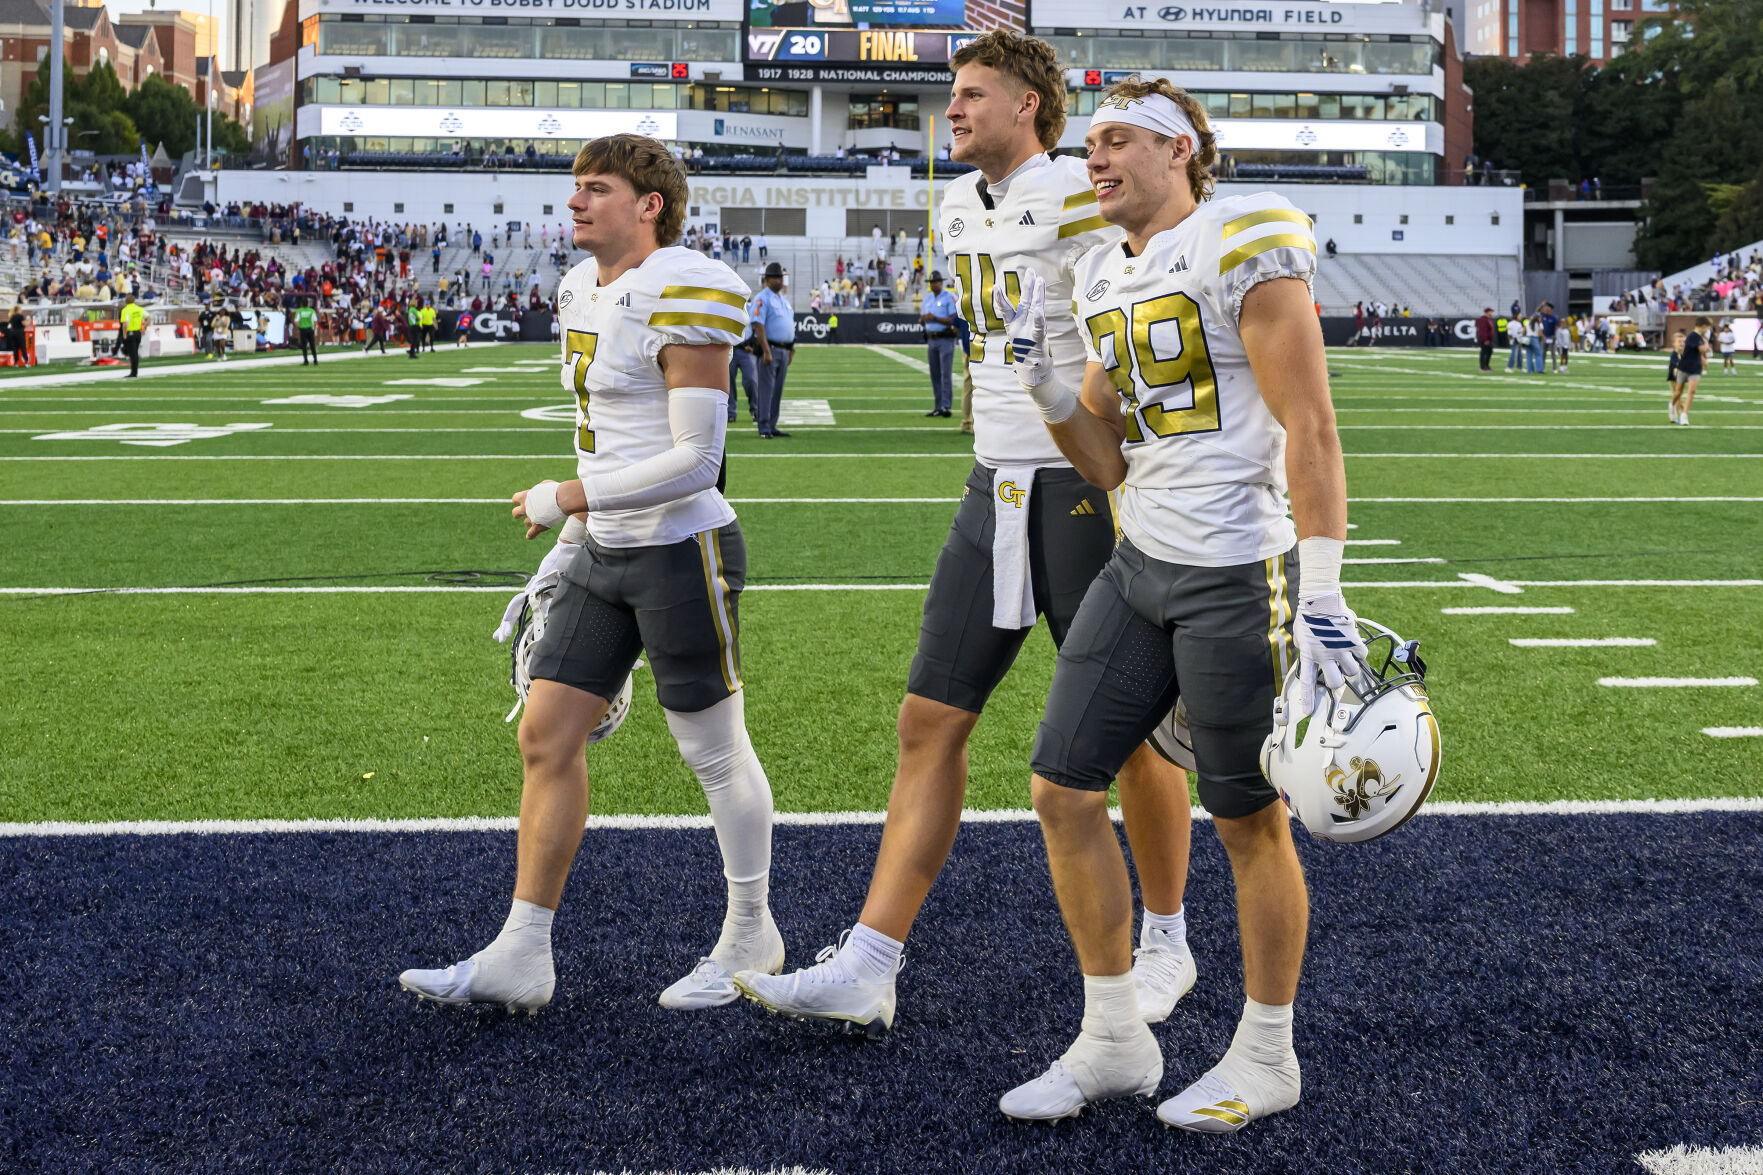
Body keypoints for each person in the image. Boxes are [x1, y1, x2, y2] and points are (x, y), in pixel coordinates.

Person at [734, 31, 1195, 1043]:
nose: (951, 107)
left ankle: (1164, 935)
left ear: (1028, 105)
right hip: (992, 484)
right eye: (954, 90)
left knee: (1131, 735)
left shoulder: (1086, 192)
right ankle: (869, 957)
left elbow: (1135, 315)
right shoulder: (954, 203)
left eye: (971, 91)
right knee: (926, 719)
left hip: (1080, 488)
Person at [994, 75, 1353, 1132]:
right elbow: (1105, 459)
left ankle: (1266, 1051)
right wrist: (1051, 388)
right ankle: (1112, 1037)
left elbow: (1311, 425)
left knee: (1246, 819)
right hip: (1140, 556)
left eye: (1113, 142)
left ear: (1179, 150)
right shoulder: (1106, 272)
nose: (1092, 158)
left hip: (1239, 570)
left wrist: (1320, 584)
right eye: (1090, 143)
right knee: (1061, 787)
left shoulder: (1241, 238)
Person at [399, 133, 784, 1014]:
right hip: (603, 546)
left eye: (597, 188)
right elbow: (600, 429)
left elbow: (697, 459)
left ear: (650, 205)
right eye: (575, 187)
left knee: (713, 752)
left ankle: (751, 927)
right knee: (546, 734)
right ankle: (522, 950)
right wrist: (575, 532)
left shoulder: (684, 286)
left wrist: (566, 495)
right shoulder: (580, 287)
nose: (575, 202)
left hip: (679, 545)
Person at [750, 261, 793, 439]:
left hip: (783, 350)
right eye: (776, 277)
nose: (779, 280)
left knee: (777, 390)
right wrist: (766, 350)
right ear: (767, 280)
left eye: (781, 277)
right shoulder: (762, 298)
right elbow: (758, 325)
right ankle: (764, 427)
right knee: (767, 389)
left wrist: (792, 348)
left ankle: (772, 425)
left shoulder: (783, 299)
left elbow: (789, 326)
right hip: (771, 349)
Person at [919, 270, 958, 417]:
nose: (933, 284)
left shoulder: (949, 297)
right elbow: (924, 318)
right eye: (931, 282)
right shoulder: (927, 300)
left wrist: (934, 318)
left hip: (945, 338)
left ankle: (946, 406)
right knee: (935, 374)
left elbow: (953, 319)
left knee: (945, 373)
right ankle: (938, 406)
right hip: (932, 339)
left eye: (935, 282)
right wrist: (923, 320)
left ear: (940, 282)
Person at [729, 291, 761, 425]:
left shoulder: (751, 308)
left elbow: (757, 327)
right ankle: (731, 412)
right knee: (728, 382)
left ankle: (755, 410)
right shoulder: (728, 309)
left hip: (746, 350)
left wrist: (752, 344)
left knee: (751, 380)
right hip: (731, 348)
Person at [1675, 317, 1710, 425]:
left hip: (1695, 368)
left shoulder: (1698, 337)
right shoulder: (1693, 336)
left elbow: (1697, 353)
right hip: (1684, 367)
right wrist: (1706, 342)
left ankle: (1684, 415)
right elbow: (1702, 349)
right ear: (1704, 326)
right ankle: (1672, 405)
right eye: (1708, 328)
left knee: (1691, 391)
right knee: (1678, 392)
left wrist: (1702, 359)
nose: (1708, 330)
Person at [119, 292, 145, 377]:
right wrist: (144, 327)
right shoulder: (139, 309)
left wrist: (124, 334)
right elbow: (149, 318)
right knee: (135, 353)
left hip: (130, 333)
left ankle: (134, 372)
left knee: (132, 353)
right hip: (138, 333)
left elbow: (125, 324)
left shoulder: (125, 310)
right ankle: (134, 371)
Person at [294, 298, 319, 364]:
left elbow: (296, 321)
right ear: (308, 304)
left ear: (301, 304)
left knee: (304, 345)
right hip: (310, 329)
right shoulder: (311, 311)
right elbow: (315, 321)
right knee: (312, 345)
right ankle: (315, 359)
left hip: (303, 329)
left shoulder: (299, 311)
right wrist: (314, 328)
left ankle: (306, 360)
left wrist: (299, 327)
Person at [1474, 306, 1495, 371]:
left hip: (1488, 339)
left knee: (1489, 352)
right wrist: (1485, 339)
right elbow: (1483, 331)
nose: (1491, 313)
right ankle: (1483, 367)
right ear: (1487, 312)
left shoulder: (1487, 320)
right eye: (1490, 312)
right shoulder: (1484, 320)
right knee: (1484, 352)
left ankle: (1486, 365)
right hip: (1485, 340)